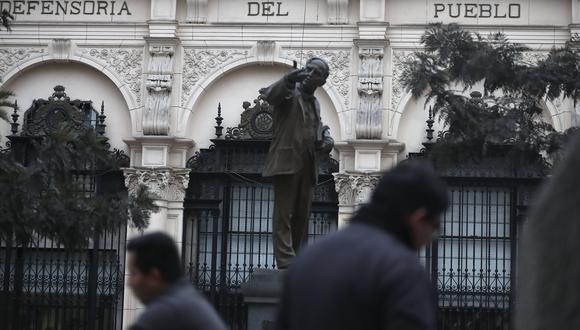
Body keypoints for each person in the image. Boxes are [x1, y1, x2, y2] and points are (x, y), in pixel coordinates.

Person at [276, 161, 449, 330]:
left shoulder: (308, 258)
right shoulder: (403, 271)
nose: (431, 237)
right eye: (435, 227)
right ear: (418, 219)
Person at [260, 57, 334, 269]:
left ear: (323, 80)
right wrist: (288, 79)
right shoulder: (288, 93)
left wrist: (325, 141)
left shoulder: (316, 103)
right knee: (284, 213)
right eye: (308, 69)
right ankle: (285, 260)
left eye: (316, 72)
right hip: (286, 160)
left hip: (308, 162)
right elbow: (271, 96)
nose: (310, 74)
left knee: (302, 214)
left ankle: (298, 258)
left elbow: (316, 128)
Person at [127, 232, 226, 330]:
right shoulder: (188, 296)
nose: (129, 283)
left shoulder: (165, 311)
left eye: (133, 273)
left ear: (154, 276)